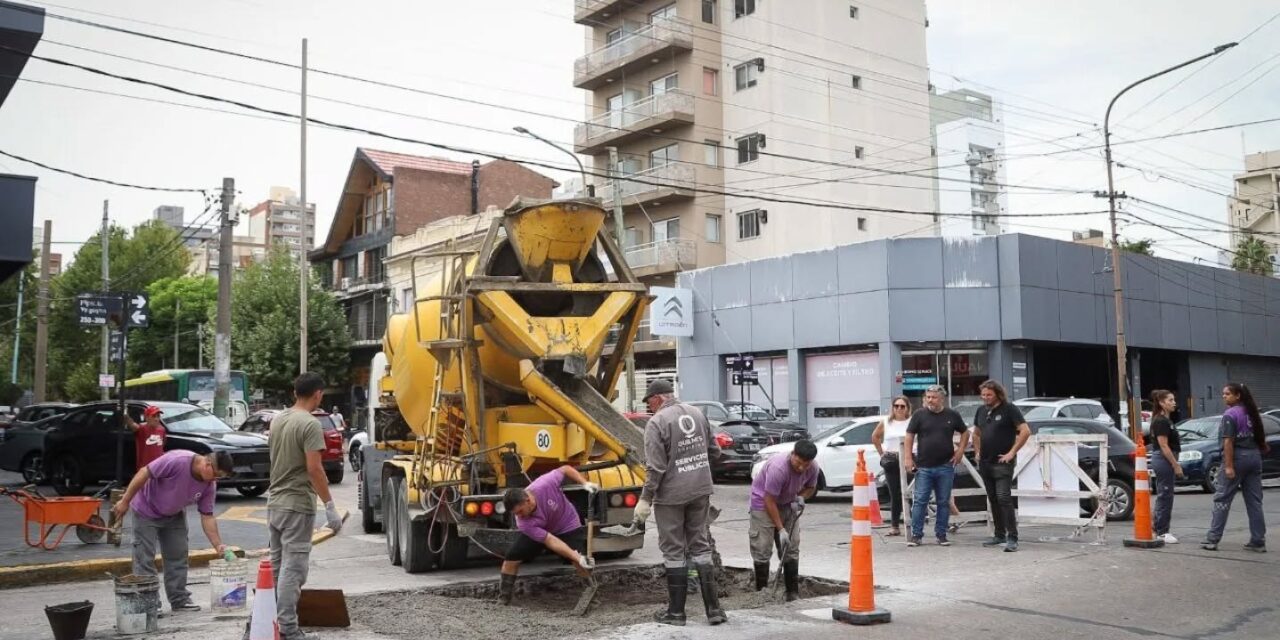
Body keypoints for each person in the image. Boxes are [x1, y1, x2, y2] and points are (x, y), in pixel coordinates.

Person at [633, 378, 725, 627]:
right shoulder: (697, 413)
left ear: (658, 398)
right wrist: (696, 468)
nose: (650, 407)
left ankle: (676, 613)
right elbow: (715, 452)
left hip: (671, 496)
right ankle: (714, 611)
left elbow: (655, 468)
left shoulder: (657, 423)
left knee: (673, 550)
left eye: (650, 402)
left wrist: (645, 499)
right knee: (700, 546)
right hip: (700, 490)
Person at [267, 373, 344, 640]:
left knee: (277, 567)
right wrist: (330, 506)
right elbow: (314, 469)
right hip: (297, 504)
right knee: (293, 568)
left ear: (294, 392)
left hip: (275, 503)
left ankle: (269, 624)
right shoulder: (309, 424)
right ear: (318, 394)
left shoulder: (278, 419)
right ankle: (288, 629)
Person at [111, 449, 234, 612]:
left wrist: (218, 545)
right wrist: (125, 501)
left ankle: (179, 599)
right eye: (216, 475)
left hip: (174, 514)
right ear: (207, 464)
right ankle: (150, 603)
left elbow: (207, 517)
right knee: (144, 558)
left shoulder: (209, 485)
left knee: (178, 556)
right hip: (146, 510)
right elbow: (144, 472)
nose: (215, 480)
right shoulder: (177, 460)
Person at [497, 465, 599, 605]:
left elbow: (566, 469)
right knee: (511, 558)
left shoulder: (544, 484)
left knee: (580, 561)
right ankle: (503, 599)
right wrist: (576, 556)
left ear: (528, 500)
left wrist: (584, 483)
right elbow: (550, 540)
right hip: (542, 530)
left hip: (566, 523)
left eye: (520, 511)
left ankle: (592, 597)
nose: (518, 516)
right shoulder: (523, 523)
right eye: (515, 514)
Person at [748, 439, 818, 601]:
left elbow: (810, 487)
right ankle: (762, 592)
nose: (801, 468)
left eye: (805, 464)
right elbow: (769, 500)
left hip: (788, 503)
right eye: (798, 462)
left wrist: (801, 497)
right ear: (792, 454)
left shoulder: (813, 467)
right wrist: (780, 529)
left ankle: (792, 592)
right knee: (762, 547)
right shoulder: (778, 468)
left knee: (791, 547)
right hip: (763, 504)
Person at [1202, 383, 1268, 552]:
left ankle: (1213, 539)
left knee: (1222, 499)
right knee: (1254, 501)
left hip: (1238, 458)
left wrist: (1229, 466)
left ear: (1237, 396)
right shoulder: (1252, 413)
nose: (1224, 396)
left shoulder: (1230, 414)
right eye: (1223, 394)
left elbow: (1228, 442)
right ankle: (1258, 540)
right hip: (1254, 458)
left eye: (1227, 394)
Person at [903, 385, 969, 547]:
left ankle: (941, 534)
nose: (929, 400)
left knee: (943, 501)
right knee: (920, 501)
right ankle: (917, 535)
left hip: (946, 465)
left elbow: (965, 432)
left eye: (933, 397)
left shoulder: (952, 415)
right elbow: (909, 435)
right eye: (928, 397)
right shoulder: (919, 414)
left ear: (942, 399)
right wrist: (908, 458)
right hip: (924, 465)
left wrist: (960, 450)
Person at [972, 380, 1031, 552]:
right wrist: (977, 451)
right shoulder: (981, 411)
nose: (985, 398)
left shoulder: (1009, 408)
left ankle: (1012, 537)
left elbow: (1025, 431)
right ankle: (999, 534)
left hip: (1002, 462)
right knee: (993, 499)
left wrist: (1012, 452)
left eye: (989, 395)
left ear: (998, 393)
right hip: (985, 461)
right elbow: (976, 433)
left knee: (1004, 497)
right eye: (983, 395)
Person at [872, 397, 912, 536]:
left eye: (902, 406)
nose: (899, 409)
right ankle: (895, 525)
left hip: (908, 458)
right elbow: (875, 437)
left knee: (910, 492)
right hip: (891, 458)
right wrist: (882, 454)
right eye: (896, 406)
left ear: (907, 407)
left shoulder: (912, 421)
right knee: (895, 493)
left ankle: (914, 523)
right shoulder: (886, 422)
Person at [1148, 389, 1182, 544]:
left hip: (1166, 459)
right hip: (1164, 460)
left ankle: (1158, 528)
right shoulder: (1160, 421)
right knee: (1165, 495)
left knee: (1165, 494)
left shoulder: (1166, 420)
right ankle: (1162, 531)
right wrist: (1175, 465)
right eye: (1170, 400)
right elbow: (1163, 445)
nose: (1173, 402)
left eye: (1173, 399)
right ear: (1161, 403)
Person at [126, 405, 168, 470]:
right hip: (145, 468)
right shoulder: (142, 428)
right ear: (147, 417)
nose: (156, 419)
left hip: (159, 467)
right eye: (154, 416)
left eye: (158, 416)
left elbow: (163, 444)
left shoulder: (162, 429)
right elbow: (132, 424)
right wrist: (125, 414)